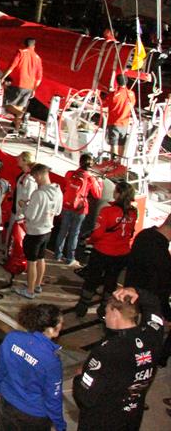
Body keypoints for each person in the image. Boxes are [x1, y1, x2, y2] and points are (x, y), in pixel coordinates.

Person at [73, 287, 165, 431]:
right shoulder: (154, 334)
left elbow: (85, 397)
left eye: (106, 313)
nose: (105, 318)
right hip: (131, 416)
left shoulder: (107, 351)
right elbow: (153, 304)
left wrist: (79, 377)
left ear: (115, 313)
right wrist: (137, 291)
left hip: (102, 420)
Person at [0, 303, 66, 431]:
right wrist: (60, 425)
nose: (62, 326)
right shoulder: (51, 361)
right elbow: (53, 398)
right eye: (60, 323)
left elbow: (0, 369)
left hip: (7, 403)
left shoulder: (12, 338)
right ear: (51, 329)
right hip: (34, 416)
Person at [74, 181, 137, 318]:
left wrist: (88, 240)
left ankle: (83, 305)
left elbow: (97, 234)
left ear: (118, 194)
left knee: (92, 278)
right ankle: (104, 307)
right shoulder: (133, 213)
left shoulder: (108, 211)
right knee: (111, 281)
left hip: (103, 251)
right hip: (122, 253)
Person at [124, 213, 171, 367]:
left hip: (130, 297)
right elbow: (160, 290)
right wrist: (166, 313)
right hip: (146, 306)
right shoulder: (162, 256)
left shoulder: (144, 235)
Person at [15, 164, 62, 299]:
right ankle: (37, 284)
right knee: (41, 258)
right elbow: (58, 211)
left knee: (31, 261)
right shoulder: (58, 191)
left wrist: (24, 206)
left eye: (35, 178)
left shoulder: (38, 194)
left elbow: (30, 215)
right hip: (47, 230)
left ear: (39, 175)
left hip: (35, 231)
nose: (34, 181)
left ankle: (29, 291)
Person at [53, 153, 102, 266]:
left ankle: (57, 254)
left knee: (62, 231)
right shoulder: (90, 179)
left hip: (67, 205)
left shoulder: (70, 173)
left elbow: (67, 184)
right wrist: (99, 182)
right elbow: (97, 194)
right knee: (74, 233)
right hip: (80, 208)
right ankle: (70, 258)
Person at [1, 38, 43, 131]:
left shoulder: (21, 52)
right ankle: (16, 129)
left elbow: (11, 67)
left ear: (24, 44)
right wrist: (34, 89)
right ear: (34, 46)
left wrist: (2, 78)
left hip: (19, 84)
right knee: (19, 107)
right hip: (30, 87)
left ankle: (23, 114)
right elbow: (39, 77)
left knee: (7, 105)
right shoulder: (38, 58)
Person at [4, 151, 37, 253]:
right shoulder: (25, 175)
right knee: (11, 232)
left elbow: (28, 198)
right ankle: (8, 252)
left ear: (25, 161)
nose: (17, 159)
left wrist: (22, 213)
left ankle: (11, 254)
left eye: (19, 158)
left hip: (20, 213)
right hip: (17, 210)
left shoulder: (29, 179)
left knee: (15, 235)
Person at [101, 73, 136, 161]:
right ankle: (120, 163)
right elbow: (132, 104)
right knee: (121, 144)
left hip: (114, 122)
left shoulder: (114, 94)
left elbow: (104, 104)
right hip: (125, 123)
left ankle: (113, 162)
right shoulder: (131, 94)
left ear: (117, 82)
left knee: (114, 144)